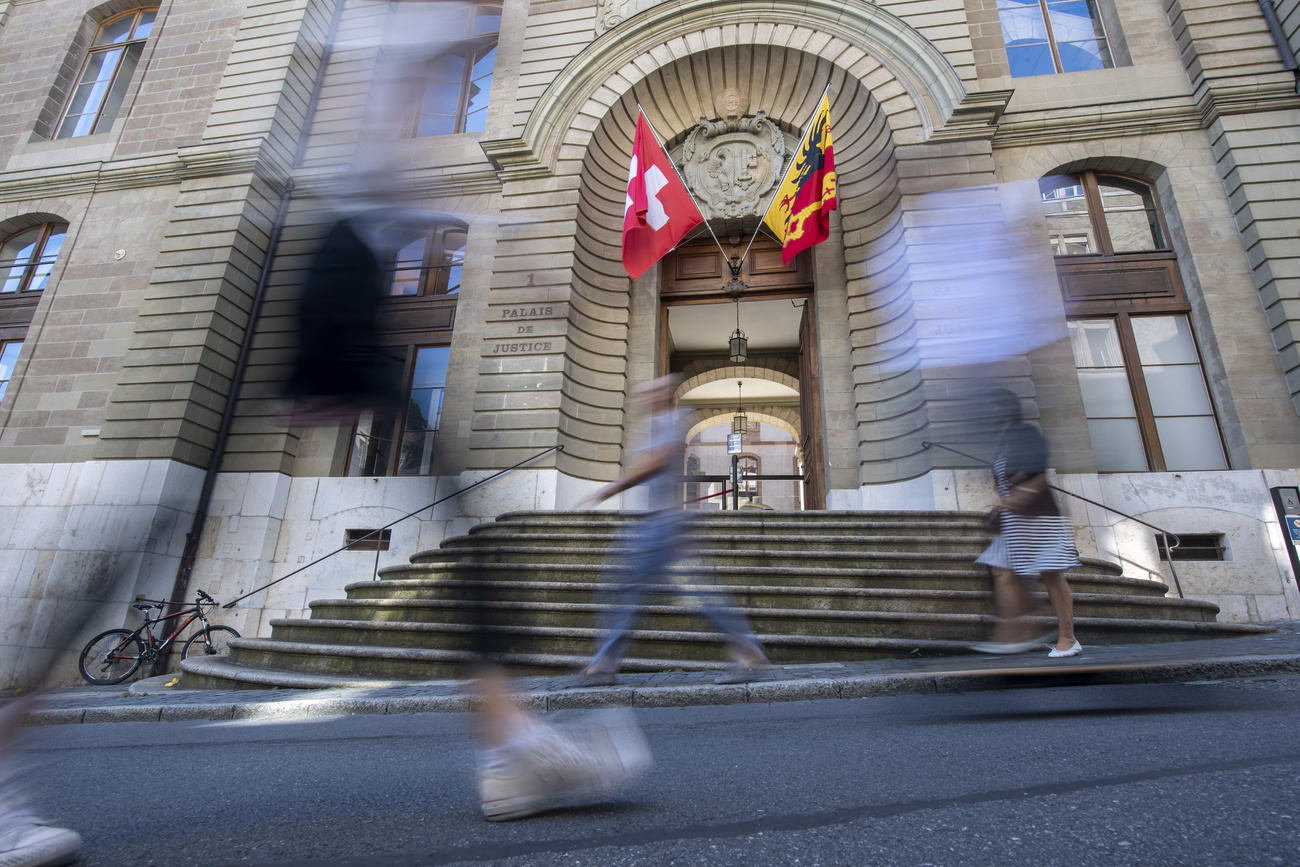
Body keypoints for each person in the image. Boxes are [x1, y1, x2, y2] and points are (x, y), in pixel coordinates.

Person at [576, 375, 770, 685]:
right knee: (651, 589)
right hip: (657, 524)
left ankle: (605, 662)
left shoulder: (672, 419)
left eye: (653, 391)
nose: (645, 396)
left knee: (638, 588)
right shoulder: (655, 424)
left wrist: (615, 486)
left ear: (666, 395)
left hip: (661, 525)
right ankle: (606, 661)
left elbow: (659, 459)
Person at [972, 388, 1083, 658]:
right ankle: (1014, 636)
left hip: (1037, 516)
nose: (987, 412)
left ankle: (1068, 638)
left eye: (991, 407)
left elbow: (1038, 470)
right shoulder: (1005, 440)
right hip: (1014, 518)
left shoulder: (1024, 433)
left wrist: (1021, 495)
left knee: (1050, 574)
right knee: (1001, 572)